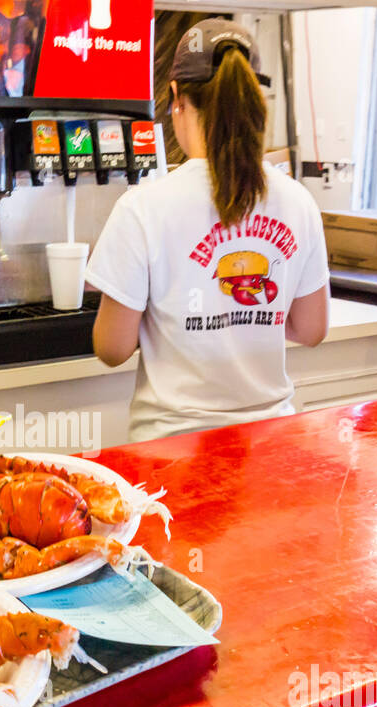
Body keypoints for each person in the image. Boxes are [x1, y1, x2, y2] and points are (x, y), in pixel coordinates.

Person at [86, 18, 330, 442]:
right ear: (253, 96)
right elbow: (311, 330)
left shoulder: (143, 206)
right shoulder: (298, 201)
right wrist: (250, 319)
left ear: (176, 96)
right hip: (270, 441)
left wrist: (176, 320)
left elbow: (112, 348)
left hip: (173, 448)